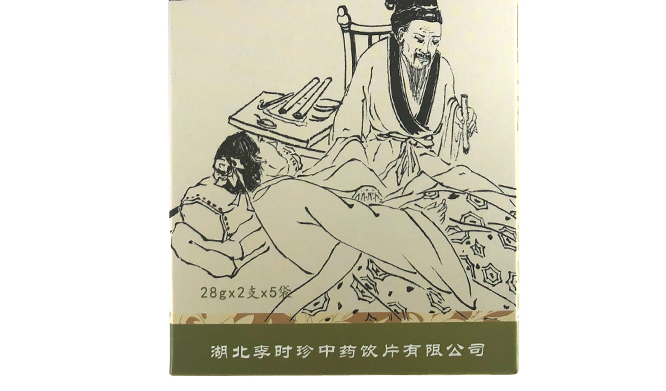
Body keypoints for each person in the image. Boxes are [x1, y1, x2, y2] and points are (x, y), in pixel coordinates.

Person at [171, 132, 476, 318]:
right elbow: (356, 236)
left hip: (354, 244)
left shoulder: (268, 199)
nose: (278, 147)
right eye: (267, 145)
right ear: (254, 162)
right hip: (364, 258)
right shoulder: (285, 193)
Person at [300, 0, 477, 202]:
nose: (427, 50)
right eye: (419, 39)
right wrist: (362, 180)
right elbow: (347, 128)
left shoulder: (443, 69)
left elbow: (449, 118)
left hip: (426, 164)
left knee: (474, 192)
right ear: (401, 35)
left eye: (434, 42)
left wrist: (461, 119)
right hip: (377, 165)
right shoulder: (373, 60)